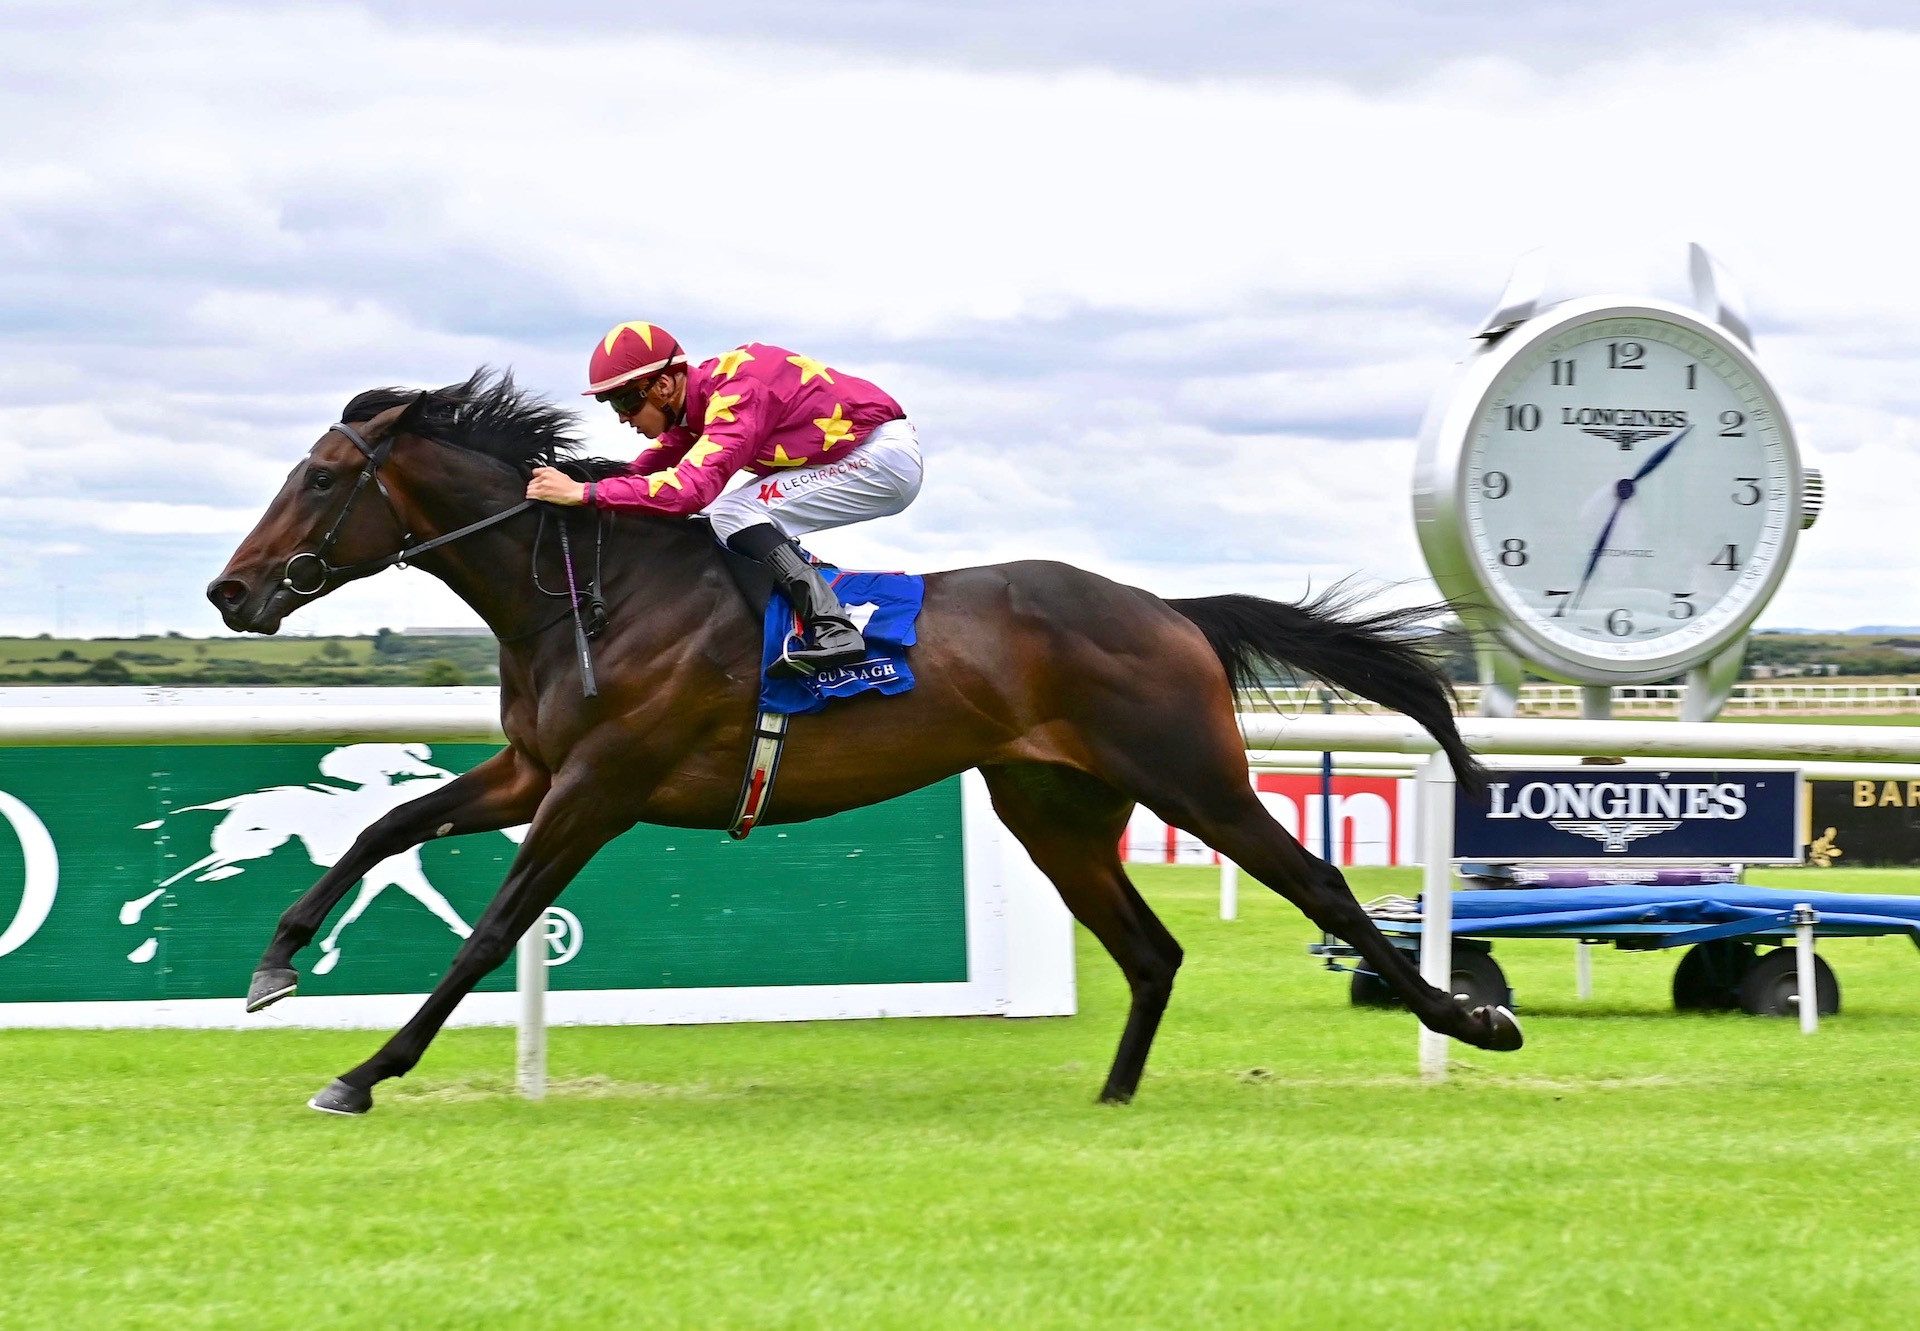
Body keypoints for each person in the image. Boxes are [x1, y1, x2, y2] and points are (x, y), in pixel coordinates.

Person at [527, 321, 923, 677]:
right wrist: (579, 484)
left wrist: (586, 493)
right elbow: (646, 469)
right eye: (609, 404)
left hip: (878, 459)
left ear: (664, 385)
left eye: (625, 401)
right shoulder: (701, 402)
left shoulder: (736, 395)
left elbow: (688, 492)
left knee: (733, 511)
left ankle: (832, 628)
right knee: (738, 516)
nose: (622, 417)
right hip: (857, 454)